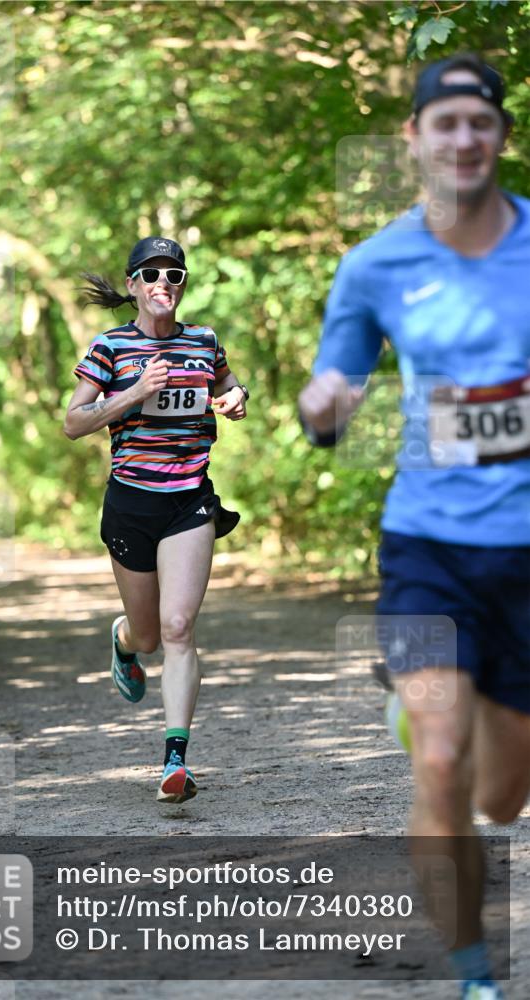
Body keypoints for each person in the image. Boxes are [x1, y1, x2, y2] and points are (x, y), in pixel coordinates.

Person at [298, 54, 529, 1000]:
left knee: (500, 796)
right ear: (414, 139)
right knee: (436, 759)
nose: (464, 138)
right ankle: (474, 974)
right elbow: (331, 385)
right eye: (445, 123)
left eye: (481, 122)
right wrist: (324, 404)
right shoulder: (376, 263)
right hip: (426, 545)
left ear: (501, 137)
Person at [64, 236, 248, 804]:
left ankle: (175, 760)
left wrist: (236, 396)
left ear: (182, 285)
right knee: (146, 635)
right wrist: (134, 394)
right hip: (130, 503)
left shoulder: (203, 342)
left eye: (174, 275)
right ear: (134, 285)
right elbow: (74, 423)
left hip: (189, 501)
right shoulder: (110, 348)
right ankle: (122, 640)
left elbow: (225, 386)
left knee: (177, 629)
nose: (162, 284)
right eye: (151, 275)